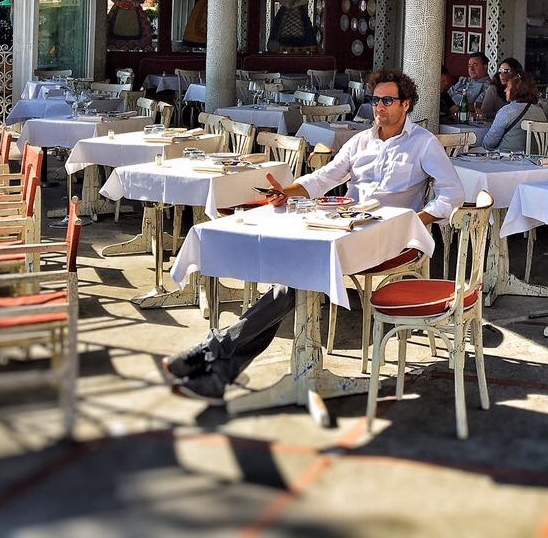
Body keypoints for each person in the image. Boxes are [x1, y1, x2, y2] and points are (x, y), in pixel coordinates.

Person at [160, 69, 464, 405]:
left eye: (387, 100)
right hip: (347, 227)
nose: (379, 106)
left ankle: (214, 352)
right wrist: (287, 192)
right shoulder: (361, 140)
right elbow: (325, 176)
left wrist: (414, 220)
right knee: (296, 273)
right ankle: (221, 372)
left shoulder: (424, 143)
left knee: (297, 276)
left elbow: (452, 194)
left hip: (390, 240)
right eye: (376, 99)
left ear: (405, 104)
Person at [481, 73, 547, 154]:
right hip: (536, 160)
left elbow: (489, 143)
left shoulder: (507, 111)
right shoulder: (540, 111)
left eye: (508, 87)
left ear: (515, 90)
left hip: (507, 158)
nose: (505, 90)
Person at [445, 52, 493, 118]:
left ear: (485, 67)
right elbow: (446, 95)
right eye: (469, 66)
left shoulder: (488, 86)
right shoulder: (463, 80)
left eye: (475, 65)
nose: (471, 69)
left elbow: (476, 107)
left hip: (464, 118)